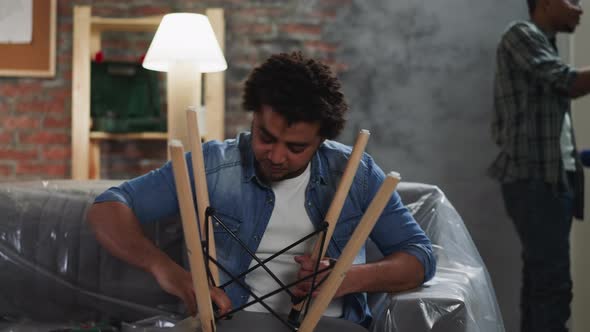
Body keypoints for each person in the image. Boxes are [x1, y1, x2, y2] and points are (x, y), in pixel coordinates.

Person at [87, 52, 436, 327]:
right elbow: (108, 208)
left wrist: (348, 277)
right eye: (266, 137)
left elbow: (419, 256)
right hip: (231, 323)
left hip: (330, 326)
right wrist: (169, 273)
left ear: (321, 141)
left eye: (296, 147)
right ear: (253, 118)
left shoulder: (354, 173)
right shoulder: (212, 165)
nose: (276, 155)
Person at [489, 1, 590, 331]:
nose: (579, 9)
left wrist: (579, 158)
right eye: (572, 0)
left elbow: (549, 128)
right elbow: (567, 81)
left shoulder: (546, 44)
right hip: (534, 182)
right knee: (552, 286)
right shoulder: (521, 34)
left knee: (540, 283)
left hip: (549, 181)